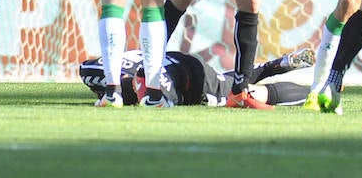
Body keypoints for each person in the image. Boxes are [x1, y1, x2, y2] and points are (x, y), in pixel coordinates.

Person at [80, 46, 316, 107]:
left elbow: (86, 68)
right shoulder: (122, 59)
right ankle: (278, 64)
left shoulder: (95, 70)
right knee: (230, 82)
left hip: (187, 77)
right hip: (181, 62)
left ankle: (313, 92)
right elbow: (88, 68)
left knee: (245, 94)